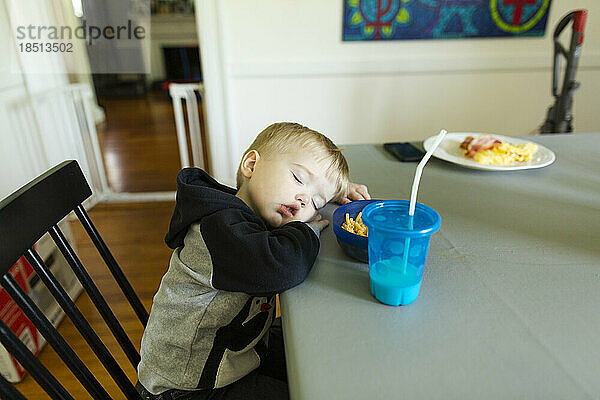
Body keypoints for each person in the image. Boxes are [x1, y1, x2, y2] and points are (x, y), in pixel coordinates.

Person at [136, 122, 370, 400]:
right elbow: (282, 266)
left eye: (316, 202)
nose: (303, 198)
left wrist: (331, 191)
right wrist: (307, 230)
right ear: (251, 164)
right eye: (298, 178)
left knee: (320, 356)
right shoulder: (218, 229)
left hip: (236, 352)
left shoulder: (247, 211)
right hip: (189, 387)